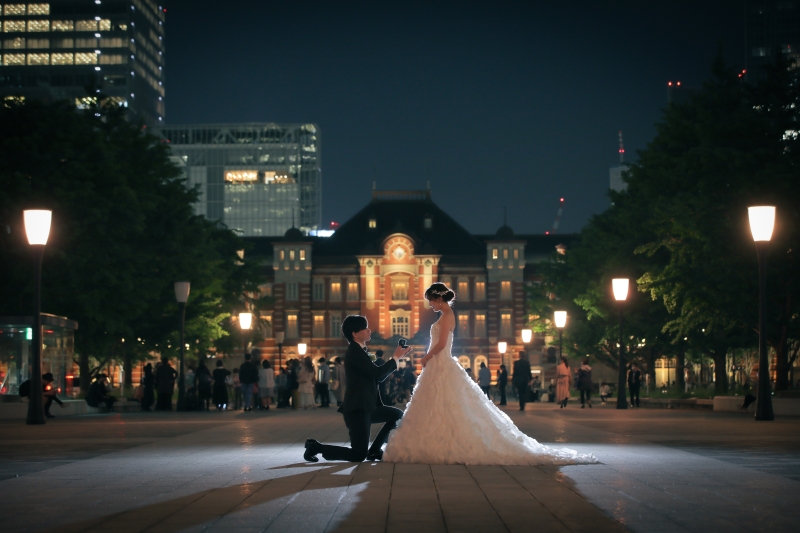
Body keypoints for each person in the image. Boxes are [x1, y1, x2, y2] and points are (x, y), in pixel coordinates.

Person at [383, 283, 597, 465]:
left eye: (431, 300)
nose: (430, 304)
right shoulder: (445, 315)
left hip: (441, 361)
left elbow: (441, 344)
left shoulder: (447, 315)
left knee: (446, 402)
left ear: (439, 298)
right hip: (439, 364)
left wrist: (426, 357)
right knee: (440, 403)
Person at [304, 315, 410, 463]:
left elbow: (378, 377)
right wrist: (395, 358)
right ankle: (315, 447)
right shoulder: (354, 351)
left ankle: (374, 451)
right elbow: (378, 373)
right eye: (365, 328)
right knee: (358, 455)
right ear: (355, 333)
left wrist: (396, 358)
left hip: (368, 406)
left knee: (397, 415)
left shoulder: (360, 351)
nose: (369, 330)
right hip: (357, 409)